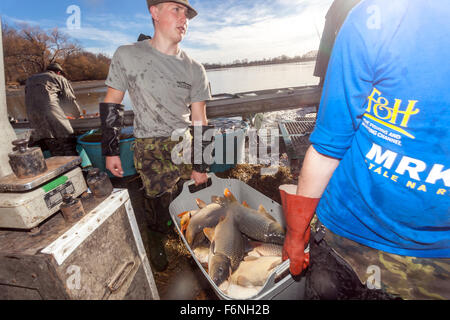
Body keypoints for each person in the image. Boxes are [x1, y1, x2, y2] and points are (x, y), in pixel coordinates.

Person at [280, 0, 449, 300]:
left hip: (437, 265)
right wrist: (296, 232)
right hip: (345, 235)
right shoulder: (373, 17)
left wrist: (295, 235)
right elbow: (328, 146)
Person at [101, 0, 212, 271]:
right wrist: (111, 150)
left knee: (194, 200)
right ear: (154, 12)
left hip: (184, 143)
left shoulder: (194, 68)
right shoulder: (127, 55)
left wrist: (201, 165)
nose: (183, 18)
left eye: (186, 13)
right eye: (176, 9)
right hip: (150, 146)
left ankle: (188, 237)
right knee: (156, 205)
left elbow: (200, 120)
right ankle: (156, 241)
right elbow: (112, 103)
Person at [25, 63, 82, 156]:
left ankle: (62, 168)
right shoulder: (59, 78)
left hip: (34, 119)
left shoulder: (29, 80)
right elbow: (69, 100)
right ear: (59, 72)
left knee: (54, 149)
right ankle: (76, 168)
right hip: (52, 115)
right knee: (68, 146)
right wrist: (77, 115)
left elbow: (41, 98)